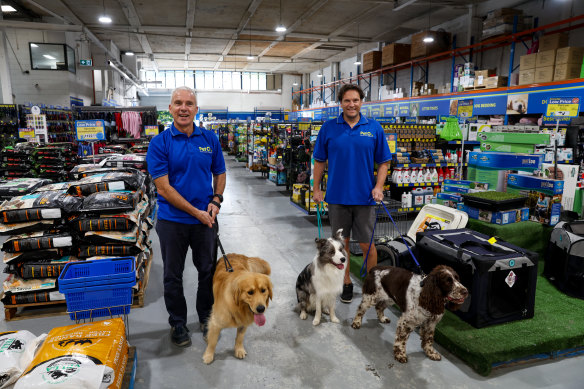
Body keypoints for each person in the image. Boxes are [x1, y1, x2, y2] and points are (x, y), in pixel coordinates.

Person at [147, 86, 226, 347]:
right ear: (170, 108)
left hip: (205, 220)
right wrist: (197, 213)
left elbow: (220, 172)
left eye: (189, 103)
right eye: (178, 103)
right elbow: (164, 188)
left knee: (207, 272)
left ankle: (206, 317)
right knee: (173, 275)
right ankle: (178, 323)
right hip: (173, 222)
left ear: (196, 109)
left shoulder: (209, 139)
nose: (184, 108)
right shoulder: (160, 143)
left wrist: (216, 200)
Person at [312, 84, 391, 303]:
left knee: (368, 245)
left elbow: (384, 162)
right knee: (342, 245)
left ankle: (372, 285)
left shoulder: (374, 128)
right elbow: (319, 160)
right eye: (347, 100)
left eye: (355, 100)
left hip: (365, 198)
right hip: (337, 198)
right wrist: (316, 188)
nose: (351, 104)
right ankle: (345, 283)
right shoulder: (329, 128)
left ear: (361, 101)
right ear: (341, 103)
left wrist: (379, 187)